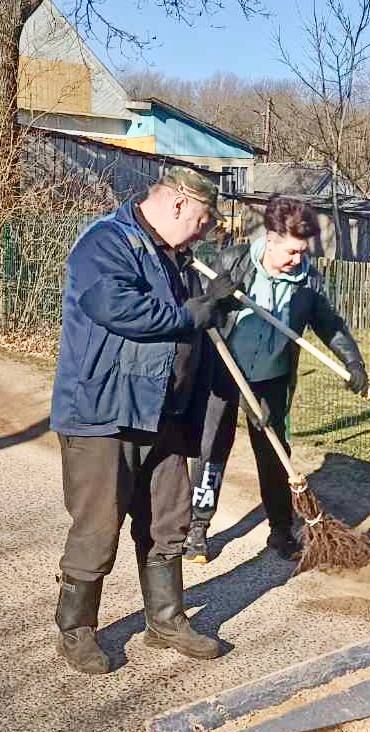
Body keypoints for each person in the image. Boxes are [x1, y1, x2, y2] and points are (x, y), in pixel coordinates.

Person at [51, 166, 244, 675]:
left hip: (161, 412)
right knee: (98, 525)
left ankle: (165, 619)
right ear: (178, 203)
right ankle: (75, 630)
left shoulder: (178, 257)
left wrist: (214, 307)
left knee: (169, 519)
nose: (206, 231)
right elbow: (121, 309)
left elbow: (194, 330)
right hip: (103, 412)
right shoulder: (106, 243)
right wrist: (194, 313)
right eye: (204, 219)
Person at [184, 195, 369, 563]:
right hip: (225, 369)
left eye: (302, 252)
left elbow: (329, 324)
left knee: (273, 452)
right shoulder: (233, 262)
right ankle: (197, 528)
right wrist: (215, 299)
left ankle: (280, 530)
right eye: (291, 252)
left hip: (272, 377)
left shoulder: (306, 281)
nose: (297, 259)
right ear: (270, 237)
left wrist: (352, 361)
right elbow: (202, 314)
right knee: (211, 448)